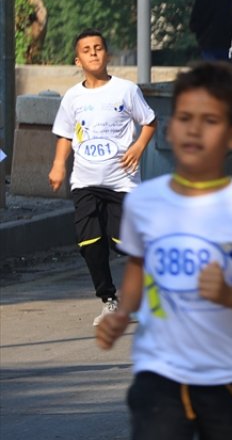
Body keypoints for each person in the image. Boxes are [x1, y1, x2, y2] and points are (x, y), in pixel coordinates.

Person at [96, 62, 232, 439]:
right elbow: (139, 265)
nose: (194, 129)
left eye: (210, 120)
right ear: (170, 127)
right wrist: (123, 313)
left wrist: (230, 294)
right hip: (159, 375)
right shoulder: (145, 201)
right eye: (185, 117)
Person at [49, 30, 157, 326]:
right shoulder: (73, 97)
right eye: (87, 50)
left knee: (122, 241)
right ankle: (110, 300)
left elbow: (149, 122)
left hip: (122, 183)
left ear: (107, 55)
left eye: (98, 48)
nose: (93, 53)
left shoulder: (125, 90)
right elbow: (64, 134)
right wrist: (59, 165)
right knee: (90, 243)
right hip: (84, 182)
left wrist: (137, 146)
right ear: (78, 59)